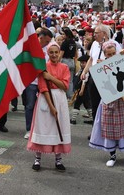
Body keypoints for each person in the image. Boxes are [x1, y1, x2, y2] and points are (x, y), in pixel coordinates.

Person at [89, 41, 124, 167]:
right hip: (110, 100)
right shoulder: (102, 66)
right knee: (110, 127)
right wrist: (100, 69)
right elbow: (102, 85)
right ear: (105, 55)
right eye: (109, 54)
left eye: (114, 53)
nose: (112, 56)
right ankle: (112, 155)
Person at [27, 42, 71, 171]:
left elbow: (65, 86)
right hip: (46, 100)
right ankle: (37, 159)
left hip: (60, 99)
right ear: (47, 53)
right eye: (51, 52)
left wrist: (50, 77)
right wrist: (51, 106)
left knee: (59, 128)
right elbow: (43, 87)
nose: (54, 55)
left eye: (56, 52)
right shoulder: (44, 67)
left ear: (59, 53)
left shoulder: (64, 67)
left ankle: (58, 159)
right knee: (43, 128)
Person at [80, 24, 122, 127]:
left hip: (107, 79)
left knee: (106, 106)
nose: (94, 35)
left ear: (104, 34)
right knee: (94, 105)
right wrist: (84, 71)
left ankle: (106, 129)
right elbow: (91, 59)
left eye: (96, 33)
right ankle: (95, 130)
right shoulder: (94, 43)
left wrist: (105, 62)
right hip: (93, 77)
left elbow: (119, 61)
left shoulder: (114, 44)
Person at [23, 29, 53, 139]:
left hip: (43, 81)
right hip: (31, 81)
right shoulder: (30, 46)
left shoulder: (49, 49)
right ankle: (29, 129)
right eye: (46, 41)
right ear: (40, 38)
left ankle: (42, 129)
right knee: (30, 106)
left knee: (43, 106)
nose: (48, 43)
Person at [70, 54, 91, 124]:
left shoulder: (86, 71)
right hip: (80, 91)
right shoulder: (81, 70)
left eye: (83, 63)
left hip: (83, 91)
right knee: (87, 104)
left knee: (77, 104)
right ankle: (92, 118)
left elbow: (84, 82)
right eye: (81, 63)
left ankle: (73, 119)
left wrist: (81, 90)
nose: (81, 64)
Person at [59, 26, 77, 99]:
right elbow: (76, 54)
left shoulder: (65, 42)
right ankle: (70, 95)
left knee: (64, 79)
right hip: (72, 61)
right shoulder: (73, 42)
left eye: (63, 34)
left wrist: (56, 62)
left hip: (65, 61)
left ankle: (65, 95)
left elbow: (61, 54)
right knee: (71, 80)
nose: (62, 36)